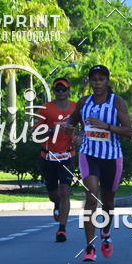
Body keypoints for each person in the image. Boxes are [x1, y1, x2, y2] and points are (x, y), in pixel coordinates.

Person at [66, 65, 132, 262]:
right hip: (89, 155)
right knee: (92, 195)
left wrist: (107, 126)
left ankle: (105, 232)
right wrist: (75, 134)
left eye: (101, 79)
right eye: (94, 79)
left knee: (108, 201)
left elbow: (129, 131)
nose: (97, 83)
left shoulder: (116, 102)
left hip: (112, 157)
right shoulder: (83, 102)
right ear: (90, 82)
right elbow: (71, 122)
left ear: (107, 81)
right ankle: (90, 246)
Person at [35, 78, 77, 243]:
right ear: (54, 91)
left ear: (68, 91)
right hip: (48, 156)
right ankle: (57, 203)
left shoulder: (75, 108)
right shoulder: (46, 108)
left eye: (63, 89)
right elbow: (36, 131)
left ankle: (62, 230)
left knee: (65, 191)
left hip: (67, 156)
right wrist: (51, 130)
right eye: (57, 90)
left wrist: (80, 137)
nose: (61, 92)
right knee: (53, 194)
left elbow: (84, 126)